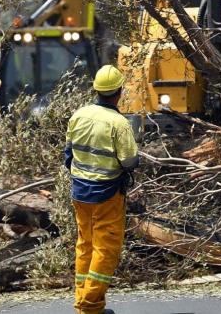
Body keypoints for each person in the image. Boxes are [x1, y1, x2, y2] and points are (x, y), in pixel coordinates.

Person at [64, 65, 138, 314]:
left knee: (85, 245)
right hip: (107, 195)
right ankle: (90, 306)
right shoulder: (119, 124)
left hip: (79, 193)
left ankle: (82, 301)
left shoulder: (78, 115)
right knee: (106, 249)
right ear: (119, 91)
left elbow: (68, 155)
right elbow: (129, 162)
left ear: (96, 89)